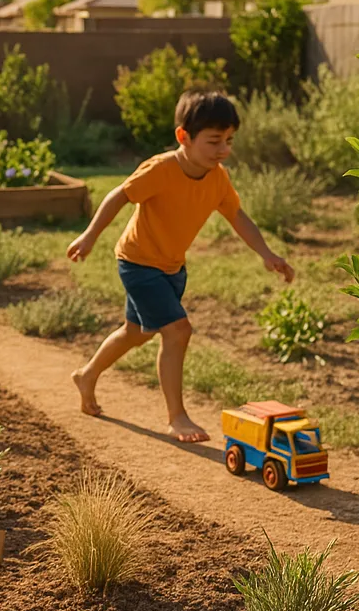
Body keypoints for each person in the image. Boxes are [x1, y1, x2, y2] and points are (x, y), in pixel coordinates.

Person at [67, 91, 294, 443]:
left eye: (229, 140)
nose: (223, 150)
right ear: (183, 137)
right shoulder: (161, 169)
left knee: (136, 334)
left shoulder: (217, 177)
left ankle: (87, 374)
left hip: (172, 267)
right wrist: (89, 236)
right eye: (214, 141)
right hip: (138, 262)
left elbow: (237, 216)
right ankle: (177, 417)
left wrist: (267, 253)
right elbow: (120, 195)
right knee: (177, 331)